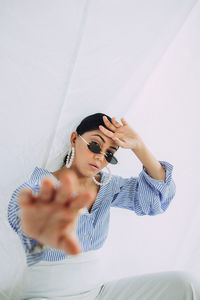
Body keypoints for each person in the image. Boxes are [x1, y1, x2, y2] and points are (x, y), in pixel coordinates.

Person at [7, 113, 200, 300]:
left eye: (109, 154)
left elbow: (155, 200)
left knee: (186, 285)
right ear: (74, 138)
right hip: (47, 295)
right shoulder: (39, 188)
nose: (100, 157)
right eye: (94, 145)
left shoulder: (107, 186)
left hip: (96, 293)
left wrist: (139, 147)